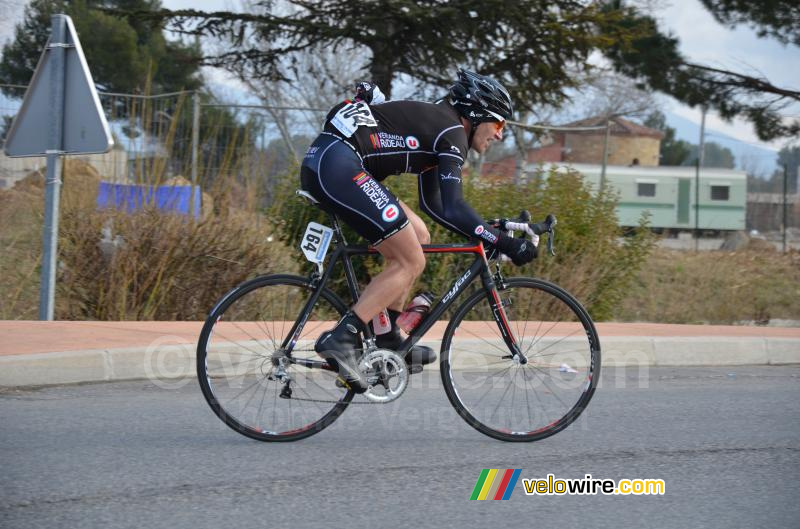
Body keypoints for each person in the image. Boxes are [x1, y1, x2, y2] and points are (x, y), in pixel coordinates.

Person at [300, 69, 536, 392]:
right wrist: (505, 243)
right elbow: (454, 207)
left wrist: (485, 233)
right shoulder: (452, 133)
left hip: (333, 162)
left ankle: (388, 336)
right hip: (338, 165)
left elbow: (435, 205)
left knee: (419, 236)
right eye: (498, 124)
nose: (499, 135)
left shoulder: (443, 126)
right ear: (478, 115)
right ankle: (341, 338)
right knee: (410, 261)